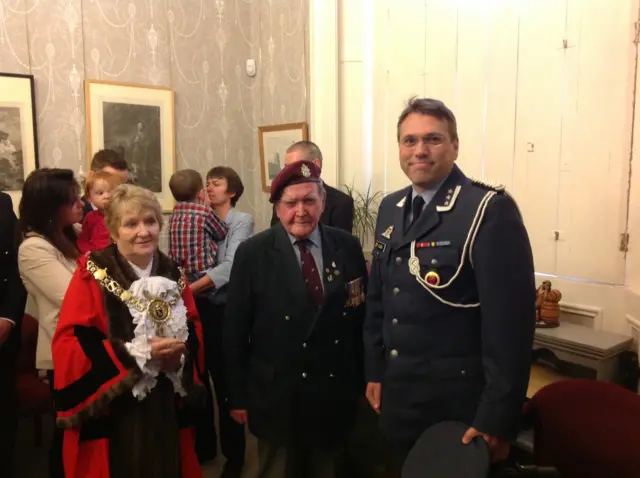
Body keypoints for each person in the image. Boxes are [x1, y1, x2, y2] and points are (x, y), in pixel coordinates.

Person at [363, 97, 536, 477]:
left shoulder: (487, 210)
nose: (419, 151)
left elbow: (511, 328)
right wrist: (375, 371)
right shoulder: (391, 208)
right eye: (409, 141)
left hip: (457, 407)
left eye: (433, 139)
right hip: (399, 398)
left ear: (455, 145)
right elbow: (379, 299)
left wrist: (496, 418)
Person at [224, 160, 368, 478]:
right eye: (291, 203)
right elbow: (234, 331)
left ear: (323, 203)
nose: (300, 211)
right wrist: (237, 396)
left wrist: (362, 381)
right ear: (277, 208)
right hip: (277, 395)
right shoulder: (253, 253)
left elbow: (359, 320)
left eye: (309, 201)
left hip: (333, 392)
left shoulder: (346, 246)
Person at [51, 184, 205, 478]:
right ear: (113, 231)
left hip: (165, 407)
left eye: (150, 221)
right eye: (130, 224)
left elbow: (193, 327)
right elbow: (69, 343)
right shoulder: (92, 273)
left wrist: (181, 360)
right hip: (114, 411)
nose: (143, 231)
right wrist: (131, 356)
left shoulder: (173, 273)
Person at [18, 168, 84, 478]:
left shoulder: (69, 237)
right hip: (64, 348)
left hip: (86, 343)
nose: (81, 204)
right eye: (73, 201)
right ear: (50, 206)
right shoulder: (34, 249)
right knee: (69, 432)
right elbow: (74, 295)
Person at [189, 166, 254, 477]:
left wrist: (189, 288)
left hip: (225, 312)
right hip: (198, 311)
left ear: (232, 191)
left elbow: (232, 266)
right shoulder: (196, 217)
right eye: (207, 183)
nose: (210, 188)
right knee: (198, 378)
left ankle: (235, 457)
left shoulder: (241, 221)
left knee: (228, 383)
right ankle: (204, 447)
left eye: (217, 183)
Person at [270, 141, 355, 233]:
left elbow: (341, 243)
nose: (288, 173)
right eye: (286, 167)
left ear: (315, 164)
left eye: (294, 166)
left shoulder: (341, 202)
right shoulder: (281, 198)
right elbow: (275, 238)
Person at [0, 192, 27, 477]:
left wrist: (8, 316)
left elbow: (17, 267)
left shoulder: (3, 204)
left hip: (2, 332)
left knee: (4, 410)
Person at [168, 169, 228, 294]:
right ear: (201, 194)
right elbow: (222, 232)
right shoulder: (203, 213)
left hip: (178, 272)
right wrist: (207, 207)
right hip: (202, 273)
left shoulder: (174, 214)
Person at [77, 170, 123, 254]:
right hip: (96, 256)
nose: (107, 196)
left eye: (111, 192)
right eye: (100, 193)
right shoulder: (90, 218)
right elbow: (84, 239)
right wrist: (88, 251)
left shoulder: (123, 216)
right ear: (89, 198)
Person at [82, 149, 129, 220]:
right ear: (91, 176)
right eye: (110, 181)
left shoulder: (128, 210)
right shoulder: (77, 214)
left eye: (123, 184)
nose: (120, 191)